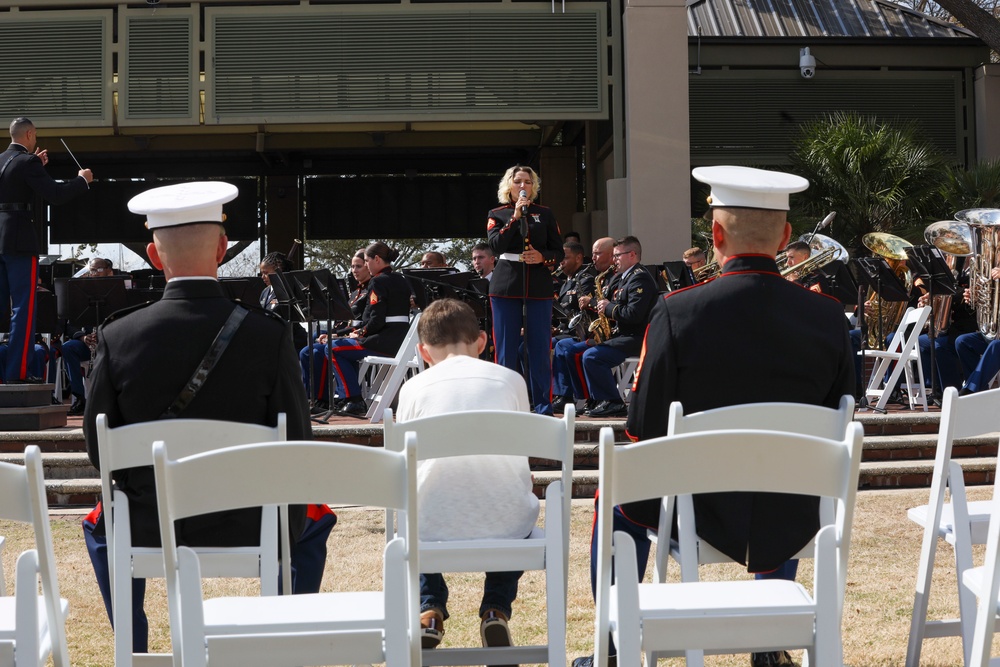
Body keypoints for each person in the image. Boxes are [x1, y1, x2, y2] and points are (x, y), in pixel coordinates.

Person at [571, 166, 855, 667]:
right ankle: (768, 643)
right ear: (787, 236)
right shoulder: (829, 316)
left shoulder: (677, 311)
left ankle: (612, 652)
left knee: (612, 494)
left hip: (696, 511)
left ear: (716, 234)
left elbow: (644, 424)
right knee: (787, 468)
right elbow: (840, 418)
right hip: (793, 510)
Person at [81, 181, 335, 653]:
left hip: (149, 523)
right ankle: (282, 647)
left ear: (155, 258)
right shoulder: (267, 335)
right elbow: (296, 443)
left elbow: (100, 451)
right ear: (222, 249)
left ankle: (134, 652)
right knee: (315, 520)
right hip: (248, 519)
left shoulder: (118, 336)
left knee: (99, 526)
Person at [395, 298, 537, 653]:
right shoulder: (511, 380)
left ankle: (429, 608)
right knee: (508, 500)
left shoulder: (413, 388)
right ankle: (495, 609)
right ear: (483, 341)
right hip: (508, 526)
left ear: (423, 352)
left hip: (430, 529)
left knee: (413, 509)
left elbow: (399, 463)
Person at [0, 117, 93, 382]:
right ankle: (17, 374)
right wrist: (82, 180)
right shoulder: (27, 162)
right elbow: (55, 194)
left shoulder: (8, 161)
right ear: (29, 134)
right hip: (18, 241)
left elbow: (10, 182)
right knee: (23, 309)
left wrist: (35, 167)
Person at [487, 165, 564, 415]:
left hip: (538, 285)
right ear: (509, 185)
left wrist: (543, 257)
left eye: (528, 182)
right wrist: (515, 218)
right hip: (506, 284)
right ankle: (507, 406)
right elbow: (496, 245)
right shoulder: (497, 213)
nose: (523, 186)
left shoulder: (545, 213)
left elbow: (559, 250)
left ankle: (544, 407)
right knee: (506, 349)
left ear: (534, 186)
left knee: (540, 349)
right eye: (518, 181)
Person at [551, 236, 657, 418]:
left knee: (592, 356)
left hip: (636, 337)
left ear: (632, 255)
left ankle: (613, 402)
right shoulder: (625, 277)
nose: (614, 260)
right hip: (620, 335)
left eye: (617, 255)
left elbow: (634, 314)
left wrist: (607, 307)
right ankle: (595, 399)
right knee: (578, 351)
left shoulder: (640, 278)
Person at [309, 241, 411, 416]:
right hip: (397, 340)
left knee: (333, 348)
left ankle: (353, 399)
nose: (366, 265)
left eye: (367, 261)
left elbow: (376, 320)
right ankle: (348, 397)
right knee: (339, 347)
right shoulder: (400, 279)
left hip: (383, 341)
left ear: (377, 259)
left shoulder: (378, 282)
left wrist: (359, 333)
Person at [299, 249, 372, 409]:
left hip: (357, 336)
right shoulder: (355, 293)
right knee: (307, 350)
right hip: (343, 334)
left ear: (368, 266)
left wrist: (335, 335)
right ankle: (314, 398)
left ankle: (326, 399)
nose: (354, 270)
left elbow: (360, 322)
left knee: (319, 350)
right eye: (352, 267)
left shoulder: (370, 291)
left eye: (358, 266)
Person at [60, 258, 118, 415]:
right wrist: (83, 337)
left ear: (109, 272)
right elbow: (69, 325)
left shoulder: (118, 292)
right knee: (68, 347)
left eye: (98, 270)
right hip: (88, 345)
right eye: (92, 270)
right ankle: (80, 398)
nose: (94, 274)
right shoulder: (80, 292)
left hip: (112, 344)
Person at [552, 241, 596, 339]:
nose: (561, 262)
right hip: (563, 332)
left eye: (565, 258)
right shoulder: (566, 283)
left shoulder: (584, 279)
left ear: (578, 258)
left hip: (576, 334)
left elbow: (585, 313)